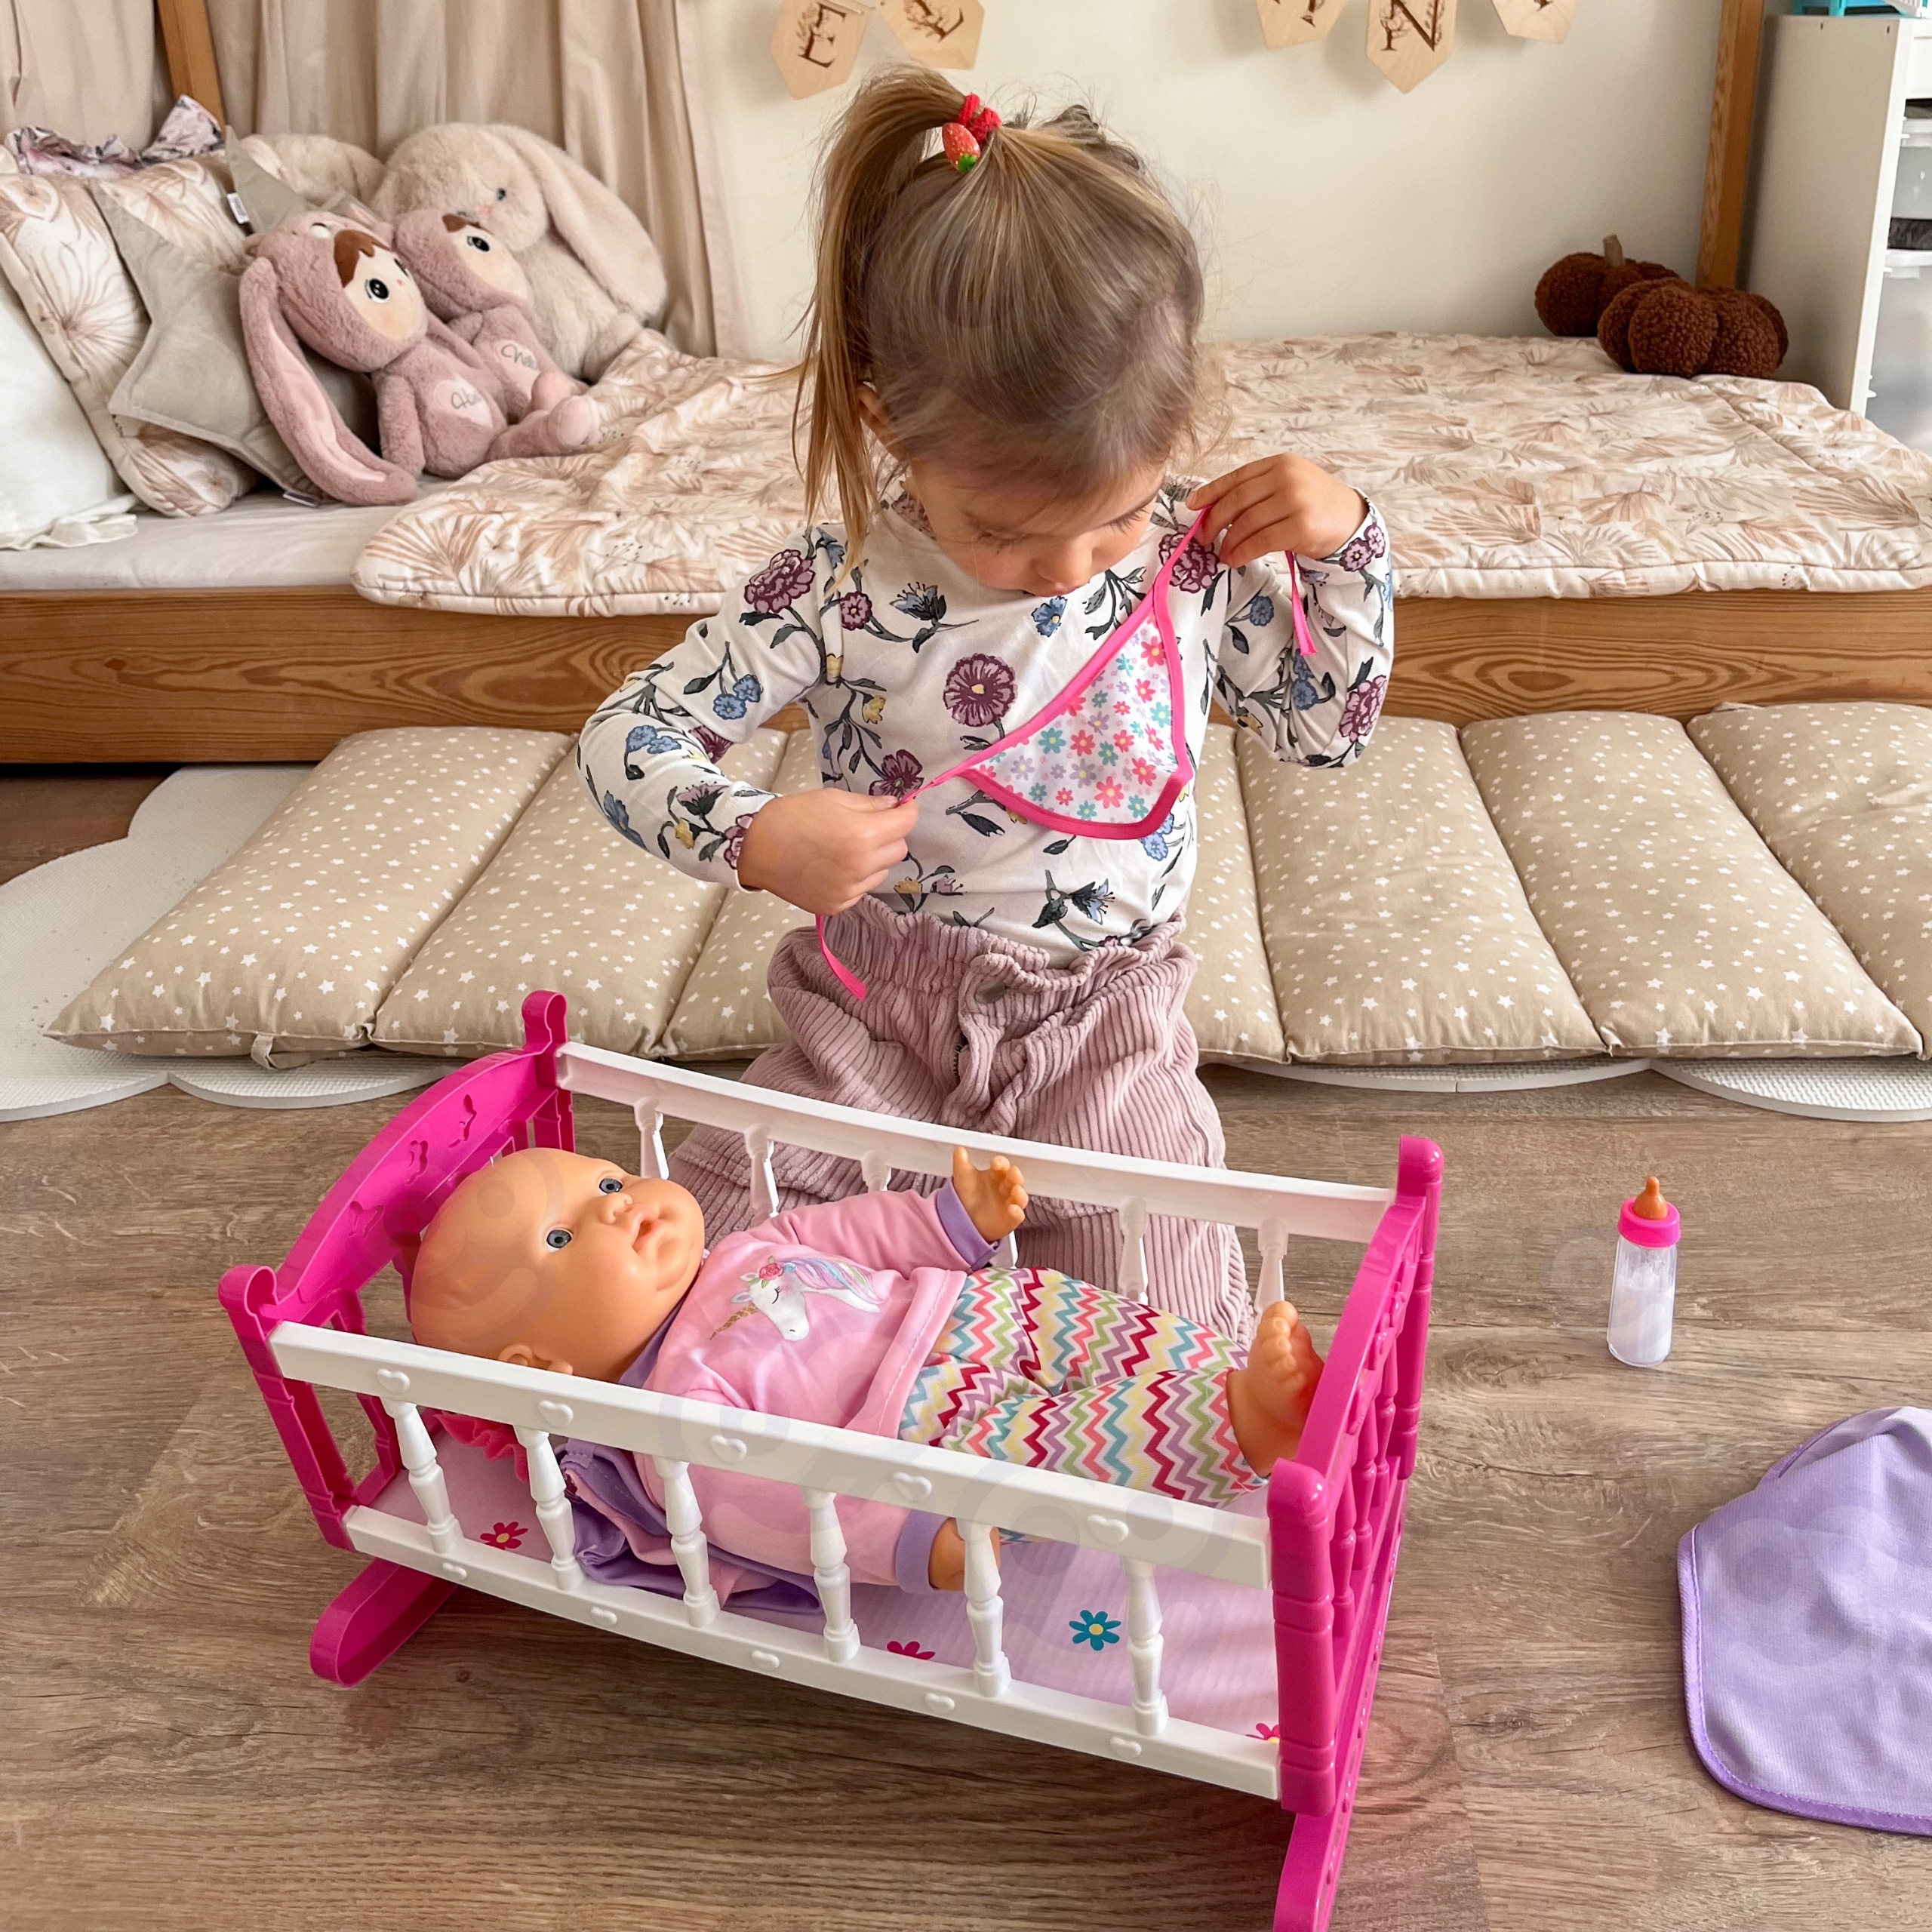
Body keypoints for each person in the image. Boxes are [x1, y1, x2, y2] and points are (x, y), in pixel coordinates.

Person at [577, 70, 1392, 1343]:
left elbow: (1322, 730)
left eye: (1113, 517)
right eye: (1005, 533)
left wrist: (1345, 551)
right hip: (872, 1027)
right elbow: (623, 737)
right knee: (701, 1297)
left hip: (1108, 1040)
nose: (1066, 567)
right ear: (887, 427)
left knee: (1180, 1343)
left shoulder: (1193, 562)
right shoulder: (837, 586)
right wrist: (753, 833)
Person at [409, 1147, 1325, 1592]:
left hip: (969, 1308)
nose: (617, 1208)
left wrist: (952, 1223)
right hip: (927, 1432)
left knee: (1079, 1314)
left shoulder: (742, 1249)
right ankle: (1238, 1423)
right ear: (544, 1366)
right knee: (1047, 1452)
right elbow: (779, 1505)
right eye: (562, 1238)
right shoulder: (673, 1415)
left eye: (608, 1181)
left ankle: (1225, 1371)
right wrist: (907, 1539)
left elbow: (849, 1231)